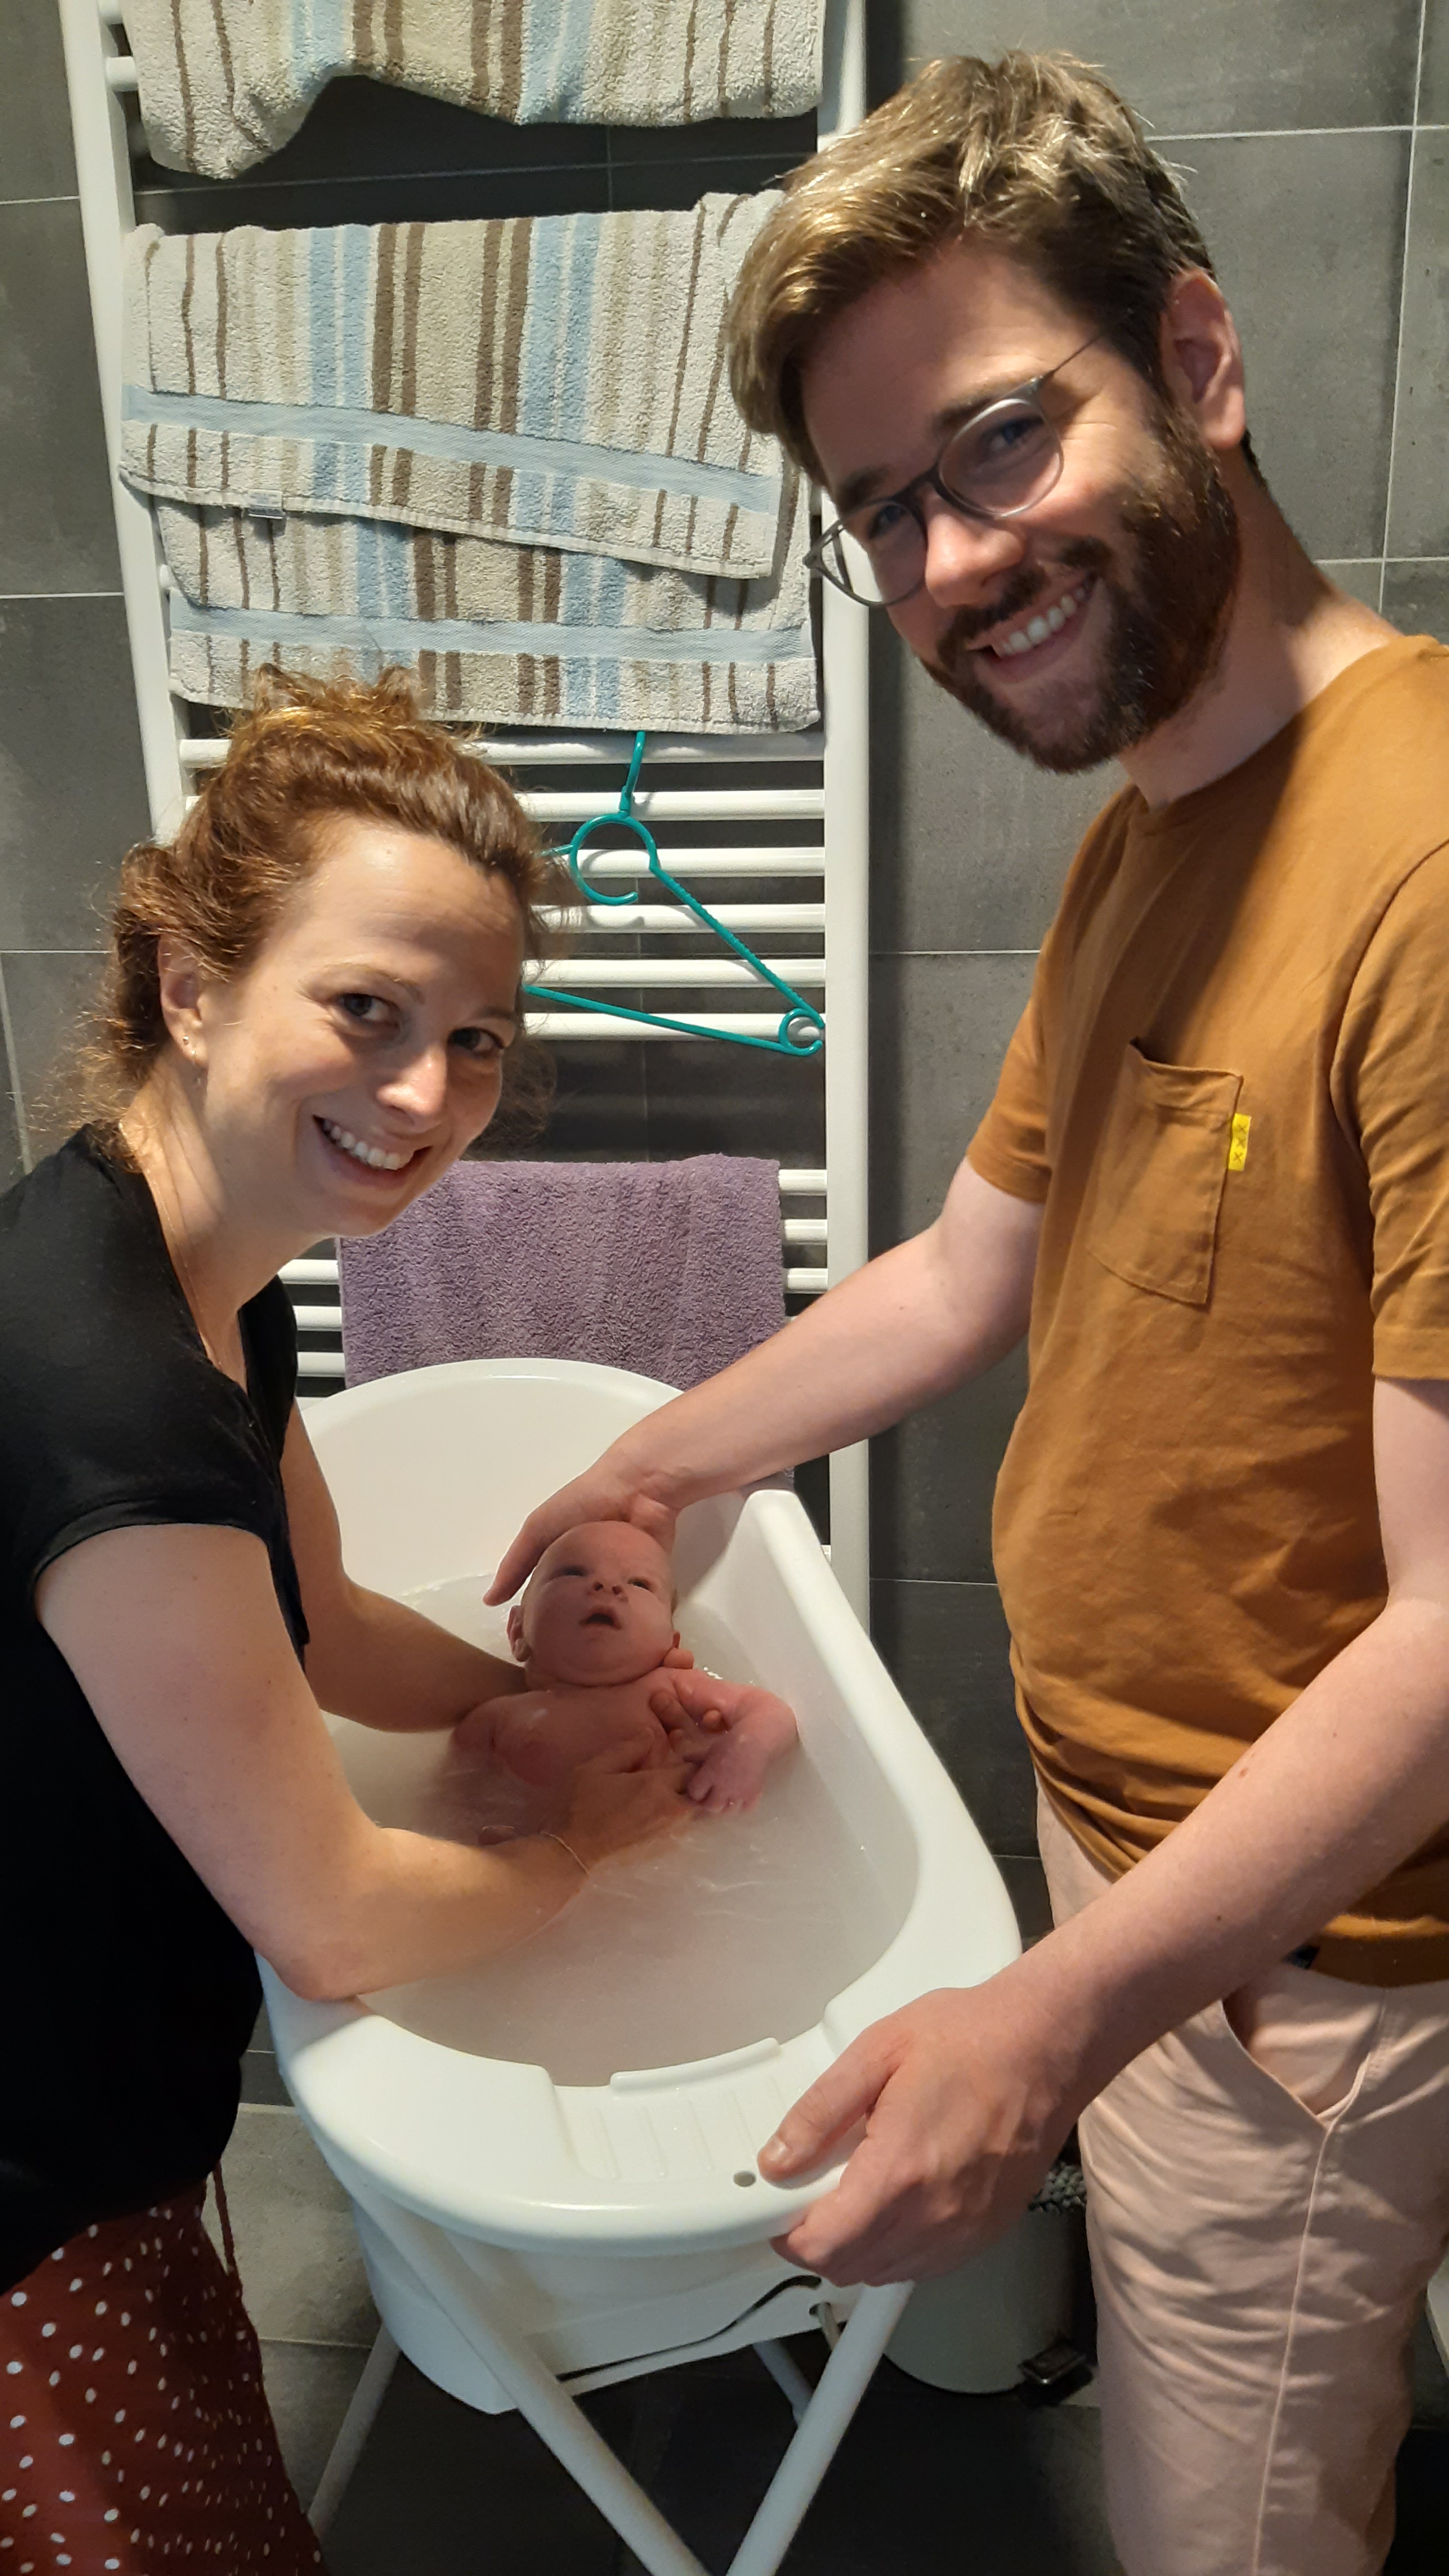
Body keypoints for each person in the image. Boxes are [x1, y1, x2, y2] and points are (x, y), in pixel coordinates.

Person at [486, 51, 1449, 2576]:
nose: (944, 562)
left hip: (1300, 1967)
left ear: (1197, 360)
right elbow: (969, 1267)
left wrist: (1053, 2016)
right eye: (881, 510)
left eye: (998, 440)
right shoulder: (1154, 836)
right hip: (1157, 1867)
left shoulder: (1425, 853)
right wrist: (653, 1461)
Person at [0, 671, 690, 2572]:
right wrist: (587, 1839)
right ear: (190, 984)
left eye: (474, 1041)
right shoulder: (106, 1385)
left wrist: (578, 1703)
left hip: (96, 2087)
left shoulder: (211, 1276)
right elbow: (337, 1916)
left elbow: (324, 1628)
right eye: (366, 1011)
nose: (426, 1098)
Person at [444, 1522, 798, 1831]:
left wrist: (742, 1753)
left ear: (671, 1642)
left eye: (640, 1584)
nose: (607, 1585)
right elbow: (452, 1808)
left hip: (666, 1859)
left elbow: (770, 1711)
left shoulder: (670, 1688)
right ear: (518, 1631)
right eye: (573, 1573)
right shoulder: (495, 1720)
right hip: (542, 1865)